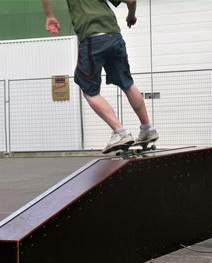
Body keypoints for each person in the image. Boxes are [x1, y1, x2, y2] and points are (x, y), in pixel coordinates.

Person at [41, 0, 158, 153]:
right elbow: (131, 1)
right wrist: (131, 16)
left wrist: (49, 15)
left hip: (92, 38)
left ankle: (120, 132)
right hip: (114, 36)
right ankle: (147, 129)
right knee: (127, 84)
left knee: (89, 90)